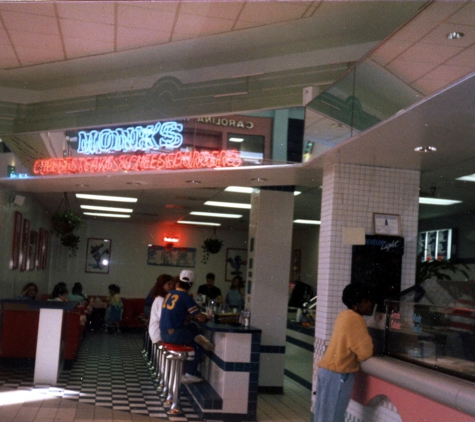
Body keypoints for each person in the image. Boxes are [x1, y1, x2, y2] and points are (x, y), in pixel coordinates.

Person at [314, 283, 374, 422]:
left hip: (328, 371)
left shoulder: (344, 315)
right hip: (338, 373)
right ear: (356, 304)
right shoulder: (355, 319)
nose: (370, 304)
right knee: (333, 416)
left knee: (323, 415)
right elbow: (365, 352)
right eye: (366, 301)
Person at [160, 269, 215, 384]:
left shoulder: (169, 294)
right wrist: (206, 317)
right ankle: (189, 374)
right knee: (198, 345)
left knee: (192, 327)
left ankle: (198, 340)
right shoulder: (186, 297)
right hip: (175, 335)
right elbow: (200, 317)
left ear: (178, 281)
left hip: (164, 333)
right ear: (191, 284)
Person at [148, 274, 174, 344]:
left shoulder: (159, 298)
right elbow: (164, 319)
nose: (171, 287)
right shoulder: (161, 300)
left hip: (156, 331)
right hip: (158, 333)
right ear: (162, 285)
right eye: (169, 284)